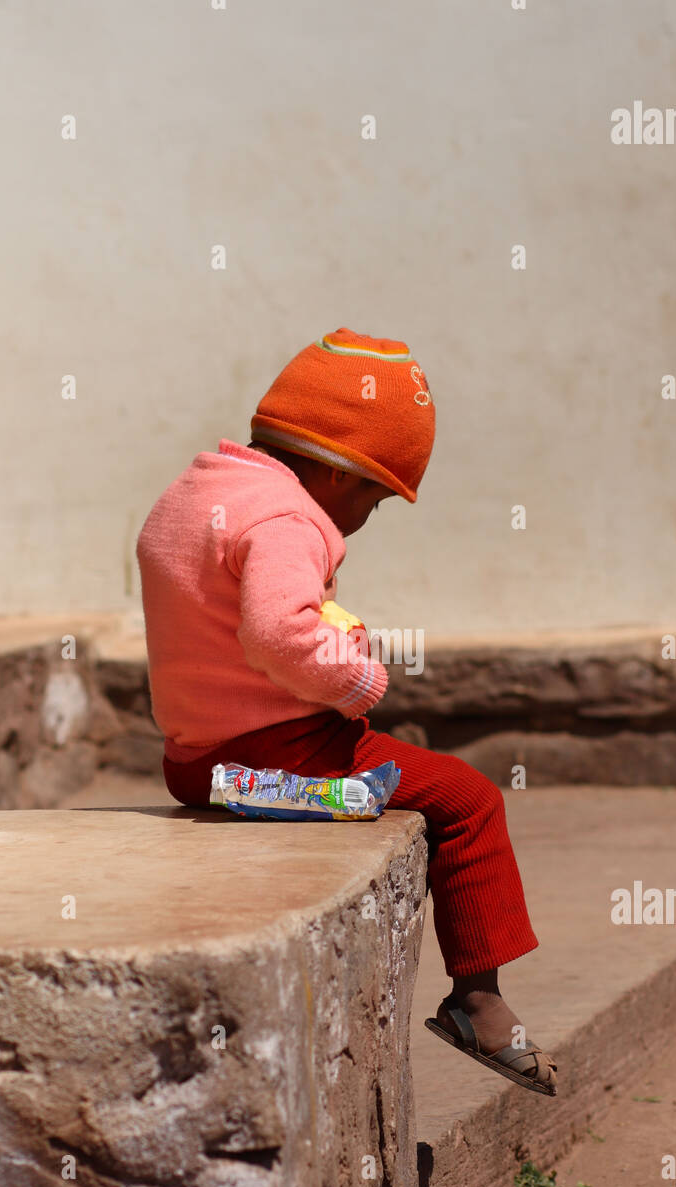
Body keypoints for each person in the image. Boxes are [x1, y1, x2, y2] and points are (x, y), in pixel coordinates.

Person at [136, 327, 557, 1095]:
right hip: (278, 756)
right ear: (338, 473)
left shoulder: (197, 491)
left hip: (197, 767)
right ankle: (479, 1001)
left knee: (379, 776)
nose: (366, 513)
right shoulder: (290, 519)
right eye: (374, 494)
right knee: (469, 800)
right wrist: (358, 678)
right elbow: (276, 631)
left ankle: (333, 800)